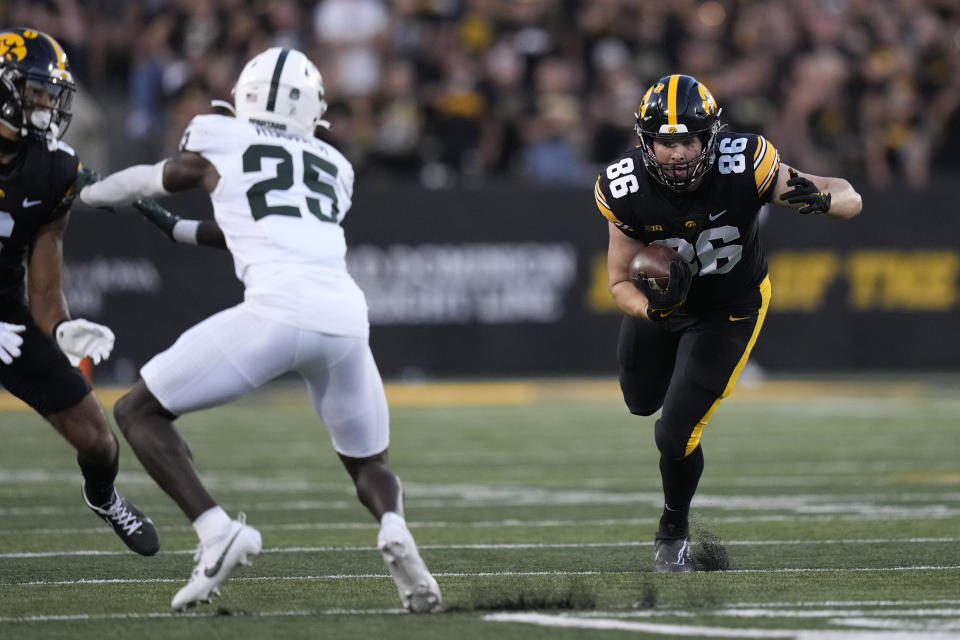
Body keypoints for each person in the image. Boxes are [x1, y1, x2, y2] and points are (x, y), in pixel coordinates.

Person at [80, 47, 443, 612]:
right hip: (346, 319)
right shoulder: (335, 165)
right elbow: (264, 224)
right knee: (370, 463)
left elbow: (148, 181)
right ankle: (393, 525)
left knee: (136, 412)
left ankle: (216, 530)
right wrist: (179, 233)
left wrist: (86, 193)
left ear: (245, 93)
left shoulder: (218, 134)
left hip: (274, 315)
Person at [594, 74, 862, 572]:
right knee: (639, 402)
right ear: (646, 142)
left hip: (729, 307)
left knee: (674, 435)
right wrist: (655, 310)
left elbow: (848, 195)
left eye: (687, 140)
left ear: (709, 138)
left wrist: (825, 201)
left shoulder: (744, 163)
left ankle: (672, 532)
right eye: (664, 141)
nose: (675, 153)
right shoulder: (623, 185)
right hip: (663, 308)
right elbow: (617, 284)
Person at [0, 28, 159, 555]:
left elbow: (44, 288)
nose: (47, 103)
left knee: (96, 436)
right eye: (36, 90)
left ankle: (103, 495)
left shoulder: (52, 169)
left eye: (50, 93)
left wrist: (63, 328)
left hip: (6, 317)